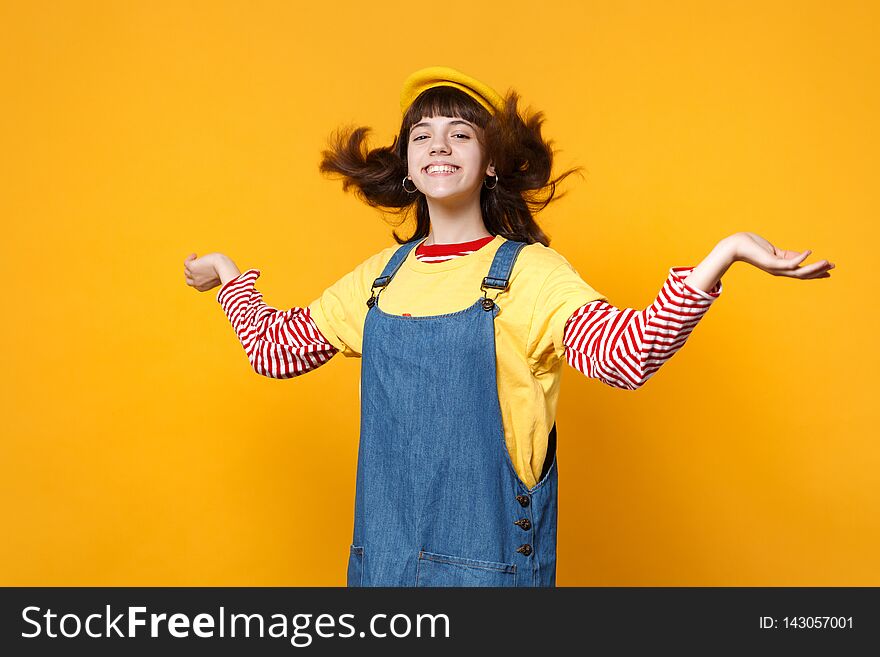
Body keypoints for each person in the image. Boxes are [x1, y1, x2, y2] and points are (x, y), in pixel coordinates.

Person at [183, 66, 835, 587]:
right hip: (380, 576)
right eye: (423, 134)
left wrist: (722, 256)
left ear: (491, 163)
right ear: (408, 168)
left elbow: (625, 356)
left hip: (491, 582)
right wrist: (228, 273)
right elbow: (274, 350)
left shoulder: (529, 274)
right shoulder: (378, 278)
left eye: (462, 133)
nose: (439, 144)